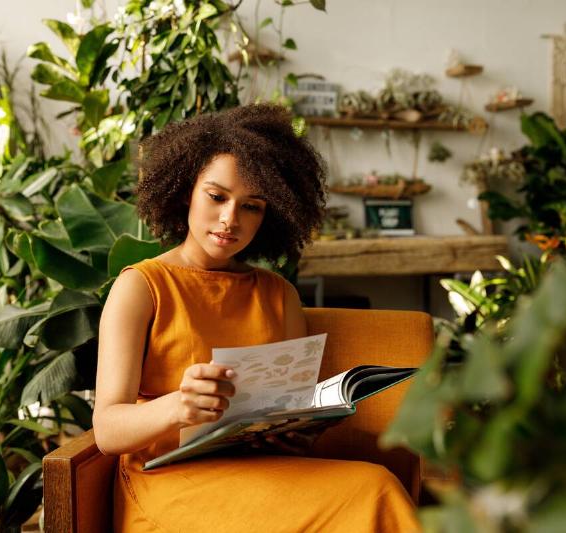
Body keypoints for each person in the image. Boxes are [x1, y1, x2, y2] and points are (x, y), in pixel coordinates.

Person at [93, 104, 419, 532]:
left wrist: (298, 432)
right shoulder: (141, 287)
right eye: (216, 196)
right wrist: (179, 406)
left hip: (263, 471)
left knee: (374, 485)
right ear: (186, 188)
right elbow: (106, 430)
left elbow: (291, 411)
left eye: (252, 206)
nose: (231, 219)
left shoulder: (277, 294)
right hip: (168, 485)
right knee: (370, 491)